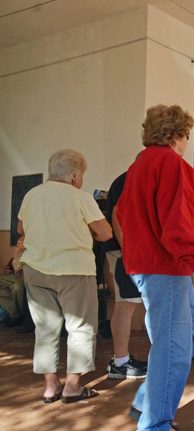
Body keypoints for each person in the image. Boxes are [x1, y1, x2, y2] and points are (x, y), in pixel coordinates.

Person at [117, 104, 194, 429]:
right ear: (178, 134)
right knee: (173, 346)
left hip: (149, 266)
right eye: (187, 134)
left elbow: (120, 213)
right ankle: (155, 423)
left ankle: (148, 401)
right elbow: (176, 221)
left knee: (190, 333)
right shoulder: (173, 165)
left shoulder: (138, 166)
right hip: (167, 266)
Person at [18, 148, 113, 404]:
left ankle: (50, 387)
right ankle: (72, 387)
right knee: (80, 327)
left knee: (45, 329)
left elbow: (21, 228)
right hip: (74, 270)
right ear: (73, 176)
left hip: (36, 270)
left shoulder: (31, 195)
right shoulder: (80, 197)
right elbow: (104, 233)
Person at [103, 171, 147, 379]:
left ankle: (121, 360)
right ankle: (120, 362)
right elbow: (117, 215)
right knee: (126, 304)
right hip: (124, 253)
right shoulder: (130, 179)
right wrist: (129, 253)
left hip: (127, 252)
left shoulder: (128, 179)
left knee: (127, 304)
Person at [0, 257, 26, 327]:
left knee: (17, 287)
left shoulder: (31, 252)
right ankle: (15, 313)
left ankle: (17, 315)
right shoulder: (16, 255)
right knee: (15, 286)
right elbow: (9, 267)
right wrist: (6, 269)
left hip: (25, 275)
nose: (17, 246)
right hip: (14, 276)